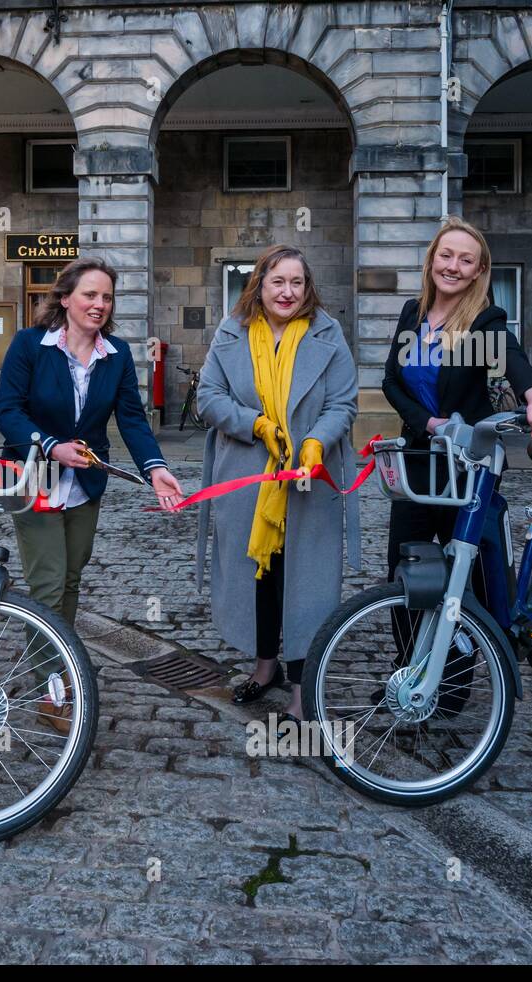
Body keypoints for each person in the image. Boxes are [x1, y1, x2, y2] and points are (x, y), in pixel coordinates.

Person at [0, 257, 184, 730]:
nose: (99, 305)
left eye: (106, 298)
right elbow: (7, 410)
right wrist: (50, 445)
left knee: (72, 580)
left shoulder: (115, 354)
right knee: (48, 584)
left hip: (86, 483)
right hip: (34, 479)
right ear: (64, 298)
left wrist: (155, 468)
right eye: (90, 295)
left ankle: (61, 660)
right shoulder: (29, 346)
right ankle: (51, 689)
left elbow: (133, 420)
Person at [195, 245, 359, 720]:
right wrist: (256, 424)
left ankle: (302, 690)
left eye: (297, 283)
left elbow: (343, 404)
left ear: (308, 288)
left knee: (308, 584)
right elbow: (208, 397)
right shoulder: (232, 332)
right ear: (260, 285)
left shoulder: (329, 334)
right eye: (278, 282)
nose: (287, 292)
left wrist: (316, 442)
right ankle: (263, 666)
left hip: (311, 482)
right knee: (260, 577)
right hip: (248, 478)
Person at [381, 217, 532, 587]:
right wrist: (429, 423)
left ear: (479, 270)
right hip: (417, 459)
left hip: (467, 465)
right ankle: (410, 646)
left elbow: (509, 354)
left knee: (468, 570)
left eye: (465, 260)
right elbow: (390, 382)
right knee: (405, 565)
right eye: (446, 255)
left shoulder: (483, 320)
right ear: (432, 259)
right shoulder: (411, 314)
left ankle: (470, 644)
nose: (453, 266)